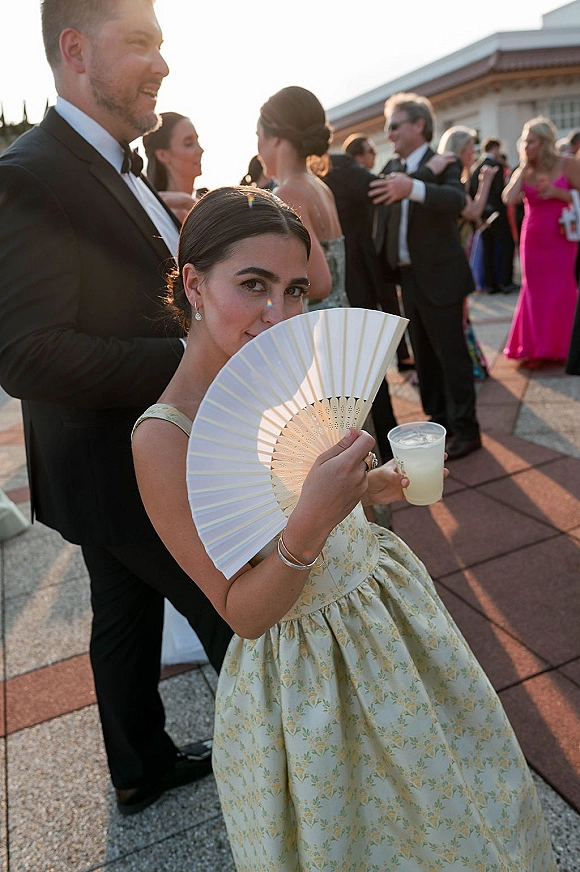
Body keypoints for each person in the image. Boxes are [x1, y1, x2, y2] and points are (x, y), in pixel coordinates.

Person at [132, 185, 556, 871]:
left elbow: (326, 506)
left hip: (394, 626)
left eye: (296, 290)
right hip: (306, 682)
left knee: (468, 823)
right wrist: (312, 520)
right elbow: (243, 613)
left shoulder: (287, 383)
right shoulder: (164, 438)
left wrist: (375, 486)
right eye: (253, 284)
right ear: (195, 284)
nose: (279, 314)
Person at [0, 0, 232, 816]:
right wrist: (185, 358)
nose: (162, 64)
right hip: (122, 467)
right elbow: (25, 354)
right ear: (74, 51)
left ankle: (139, 765)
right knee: (241, 618)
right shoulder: (31, 172)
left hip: (106, 469)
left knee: (125, 618)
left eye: (161, 42)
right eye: (139, 43)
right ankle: (297, 780)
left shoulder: (110, 164)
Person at [369, 92, 482, 460]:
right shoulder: (392, 168)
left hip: (442, 278)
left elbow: (456, 201)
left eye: (394, 126)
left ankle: (467, 431)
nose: (390, 135)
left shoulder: (444, 162)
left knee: (452, 358)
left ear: (420, 125)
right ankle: (440, 424)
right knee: (425, 360)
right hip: (409, 279)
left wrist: (413, 188)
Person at [257, 85, 346, 308]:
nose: (257, 148)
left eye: (258, 136)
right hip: (338, 317)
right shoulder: (318, 185)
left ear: (275, 134)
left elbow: (320, 283)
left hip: (316, 330)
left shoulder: (288, 194)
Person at [503, 116, 580, 367]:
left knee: (563, 289)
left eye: (532, 142)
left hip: (562, 236)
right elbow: (509, 198)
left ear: (545, 143)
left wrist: (559, 193)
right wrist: (521, 172)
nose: (527, 147)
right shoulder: (526, 169)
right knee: (534, 291)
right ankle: (537, 348)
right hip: (534, 238)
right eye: (524, 142)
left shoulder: (567, 164)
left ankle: (566, 347)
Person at [335, 133, 415, 372]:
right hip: (363, 258)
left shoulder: (352, 175)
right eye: (371, 150)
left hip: (373, 255)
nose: (375, 154)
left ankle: (402, 355)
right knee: (381, 308)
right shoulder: (353, 176)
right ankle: (397, 359)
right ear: (358, 156)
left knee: (388, 305)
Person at [434, 125, 499, 378]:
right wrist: (486, 182)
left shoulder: (452, 181)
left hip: (455, 257)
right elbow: (472, 211)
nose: (474, 153)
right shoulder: (453, 184)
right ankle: (467, 365)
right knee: (457, 314)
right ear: (460, 150)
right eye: (471, 147)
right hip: (453, 259)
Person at [468, 137, 518, 294]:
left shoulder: (476, 168)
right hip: (497, 214)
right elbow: (499, 191)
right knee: (507, 245)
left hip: (482, 214)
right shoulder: (495, 166)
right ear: (494, 148)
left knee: (488, 249)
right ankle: (505, 281)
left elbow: (471, 191)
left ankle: (490, 284)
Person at [142, 111, 204, 223]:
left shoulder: (201, 201)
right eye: (189, 143)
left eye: (197, 141)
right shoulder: (156, 212)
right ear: (163, 155)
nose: (200, 150)